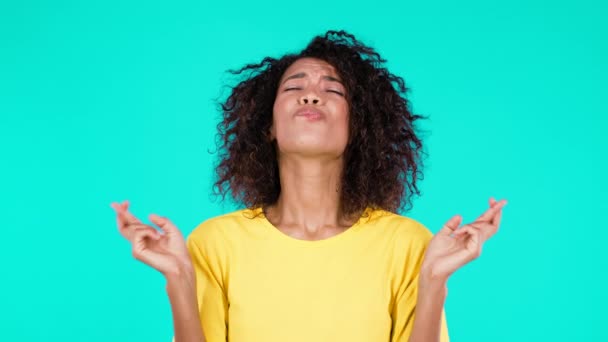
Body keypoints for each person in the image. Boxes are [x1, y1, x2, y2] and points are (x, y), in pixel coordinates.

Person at [111, 30, 506, 342]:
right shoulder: (215, 243)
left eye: (332, 90)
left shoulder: (409, 244)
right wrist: (179, 279)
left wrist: (434, 282)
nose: (311, 95)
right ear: (268, 125)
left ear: (358, 129)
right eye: (293, 88)